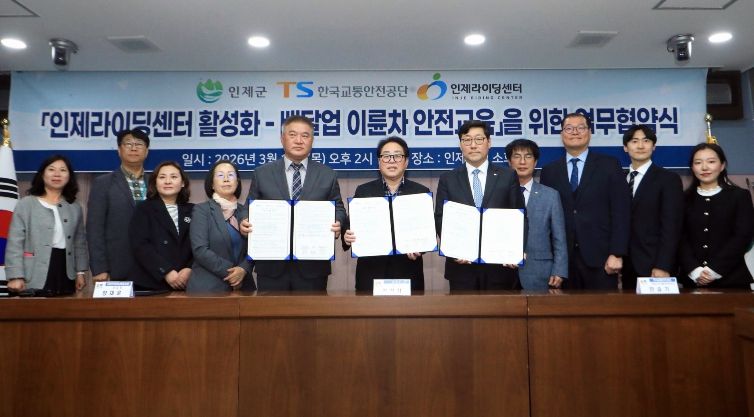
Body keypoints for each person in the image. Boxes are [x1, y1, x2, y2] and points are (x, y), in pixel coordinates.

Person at [244, 115, 347, 291]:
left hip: (312, 266)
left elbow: (338, 207)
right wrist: (243, 220)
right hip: (271, 265)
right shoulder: (262, 173)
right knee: (268, 310)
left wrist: (338, 221)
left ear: (312, 140)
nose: (299, 140)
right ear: (282, 138)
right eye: (292, 135)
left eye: (305, 136)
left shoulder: (327, 174)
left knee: (311, 310)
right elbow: (248, 207)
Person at [540, 112, 630, 289]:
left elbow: (621, 211)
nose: (575, 132)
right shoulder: (550, 171)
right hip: (563, 262)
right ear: (561, 134)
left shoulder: (609, 165)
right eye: (569, 128)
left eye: (580, 128)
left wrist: (617, 253)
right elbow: (546, 218)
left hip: (602, 259)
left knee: (602, 307)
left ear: (589, 132)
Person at [434, 120, 524, 291]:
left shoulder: (507, 176)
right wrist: (453, 249)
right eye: (467, 140)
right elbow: (440, 218)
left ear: (489, 142)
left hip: (499, 266)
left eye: (479, 139)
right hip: (461, 267)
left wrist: (516, 250)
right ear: (460, 145)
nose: (473, 145)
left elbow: (519, 216)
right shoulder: (448, 179)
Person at [342, 136, 429, 291]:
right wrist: (346, 236)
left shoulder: (420, 192)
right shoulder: (363, 191)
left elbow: (427, 231)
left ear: (406, 162)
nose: (392, 161)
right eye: (386, 156)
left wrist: (420, 247)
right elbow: (349, 226)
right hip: (370, 273)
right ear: (379, 162)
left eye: (397, 156)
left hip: (408, 271)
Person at [4, 155, 88, 294]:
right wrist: (15, 276)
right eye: (51, 169)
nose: (57, 174)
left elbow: (79, 242)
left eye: (63, 170)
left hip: (65, 271)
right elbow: (15, 242)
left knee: (65, 307)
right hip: (33, 271)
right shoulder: (26, 204)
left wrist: (80, 272)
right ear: (42, 174)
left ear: (69, 176)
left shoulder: (74, 207)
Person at [678, 143, 754, 288]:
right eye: (698, 163)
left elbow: (743, 236)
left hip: (732, 280)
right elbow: (679, 237)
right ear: (692, 167)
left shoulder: (739, 196)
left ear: (722, 165)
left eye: (711, 162)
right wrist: (695, 271)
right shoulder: (683, 199)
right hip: (692, 280)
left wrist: (714, 270)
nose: (704, 167)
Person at [621, 125, 684, 290]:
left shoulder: (668, 179)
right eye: (634, 141)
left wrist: (663, 265)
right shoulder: (618, 179)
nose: (640, 146)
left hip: (654, 265)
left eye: (646, 141)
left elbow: (672, 226)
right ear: (625, 147)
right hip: (624, 266)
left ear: (654, 146)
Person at [87, 129, 149, 282]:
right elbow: (94, 229)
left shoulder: (156, 182)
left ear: (147, 151)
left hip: (152, 267)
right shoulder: (103, 183)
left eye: (139, 144)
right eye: (128, 144)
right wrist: (100, 268)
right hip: (116, 267)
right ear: (119, 150)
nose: (133, 148)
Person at [505, 139, 567, 290]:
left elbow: (559, 236)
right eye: (517, 156)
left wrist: (559, 270)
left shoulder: (550, 195)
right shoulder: (499, 193)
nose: (522, 162)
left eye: (528, 156)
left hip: (539, 271)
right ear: (509, 162)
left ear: (535, 162)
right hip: (503, 270)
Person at [188, 160, 255, 293]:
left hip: (243, 288)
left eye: (231, 175)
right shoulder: (202, 210)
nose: (226, 179)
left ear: (237, 182)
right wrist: (232, 273)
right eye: (220, 175)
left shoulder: (246, 212)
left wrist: (243, 269)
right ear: (212, 184)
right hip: (208, 287)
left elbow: (256, 248)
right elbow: (200, 250)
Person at [129, 161, 194, 291]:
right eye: (162, 177)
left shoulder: (194, 210)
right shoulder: (143, 209)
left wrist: (189, 268)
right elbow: (140, 245)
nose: (168, 181)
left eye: (173, 177)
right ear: (155, 182)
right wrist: (166, 271)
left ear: (182, 183)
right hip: (151, 283)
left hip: (186, 282)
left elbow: (200, 245)